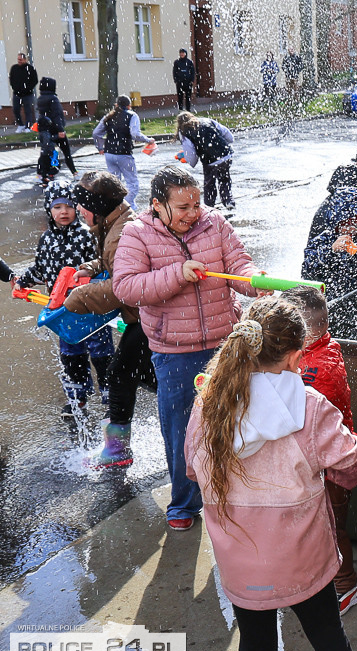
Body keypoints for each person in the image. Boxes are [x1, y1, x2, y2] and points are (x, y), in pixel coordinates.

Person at [184, 296, 357, 651]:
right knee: (330, 641)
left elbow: (192, 469)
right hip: (302, 559)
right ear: (295, 357)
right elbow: (352, 464)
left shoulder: (209, 404)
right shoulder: (310, 406)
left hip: (240, 562)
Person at [113, 165, 261, 531]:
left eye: (196, 204)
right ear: (158, 205)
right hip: (173, 350)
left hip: (225, 345)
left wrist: (254, 282)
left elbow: (238, 263)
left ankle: (234, 495)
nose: (193, 213)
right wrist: (178, 274)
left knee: (235, 422)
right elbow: (127, 288)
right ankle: (183, 504)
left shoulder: (215, 223)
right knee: (181, 429)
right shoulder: (137, 233)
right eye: (182, 207)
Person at [280, 285, 357, 616]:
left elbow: (294, 419)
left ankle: (346, 586)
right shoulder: (323, 348)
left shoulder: (316, 371)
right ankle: (320, 577)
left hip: (328, 467)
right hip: (322, 462)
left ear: (298, 332)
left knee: (330, 527)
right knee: (317, 526)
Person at [64, 172, 156, 468]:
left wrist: (79, 297)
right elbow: (115, 263)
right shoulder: (115, 221)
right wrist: (90, 267)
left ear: (97, 205)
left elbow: (122, 286)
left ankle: (117, 450)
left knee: (119, 375)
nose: (78, 210)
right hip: (146, 315)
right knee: (142, 374)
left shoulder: (119, 231)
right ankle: (199, 405)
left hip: (148, 315)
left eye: (81, 205)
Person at [11, 181, 113, 418]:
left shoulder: (86, 235)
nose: (64, 211)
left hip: (91, 307)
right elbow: (41, 268)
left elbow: (102, 266)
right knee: (71, 354)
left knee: (101, 352)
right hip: (62, 311)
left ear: (77, 208)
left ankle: (110, 394)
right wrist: (23, 282)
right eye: (57, 207)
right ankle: (77, 398)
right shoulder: (46, 239)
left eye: (68, 206)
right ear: (49, 209)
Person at [91, 95, 157, 210]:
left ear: (116, 105)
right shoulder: (132, 115)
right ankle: (128, 205)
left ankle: (115, 204)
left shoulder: (108, 116)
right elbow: (135, 134)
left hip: (109, 153)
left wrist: (100, 147)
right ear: (129, 106)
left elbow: (96, 133)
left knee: (114, 181)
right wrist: (148, 140)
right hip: (123, 153)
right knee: (132, 182)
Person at [175, 111, 235, 210]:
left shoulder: (184, 132)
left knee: (209, 184)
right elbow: (226, 133)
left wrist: (191, 161)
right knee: (224, 179)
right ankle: (228, 201)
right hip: (225, 155)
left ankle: (209, 207)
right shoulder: (207, 121)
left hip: (209, 160)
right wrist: (226, 143)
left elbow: (190, 152)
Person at [35, 77, 78, 183]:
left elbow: (46, 113)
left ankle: (40, 174)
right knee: (66, 152)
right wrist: (60, 129)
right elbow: (56, 115)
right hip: (56, 129)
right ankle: (74, 172)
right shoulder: (53, 99)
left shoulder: (40, 98)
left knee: (45, 152)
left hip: (45, 130)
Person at [9, 52, 38, 133]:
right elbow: (11, 79)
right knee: (16, 109)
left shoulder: (30, 69)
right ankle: (20, 125)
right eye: (18, 60)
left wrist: (27, 89)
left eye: (21, 60)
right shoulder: (14, 68)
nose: (19, 61)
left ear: (25, 59)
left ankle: (28, 126)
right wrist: (14, 87)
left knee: (27, 110)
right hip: (17, 94)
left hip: (27, 94)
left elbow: (34, 80)